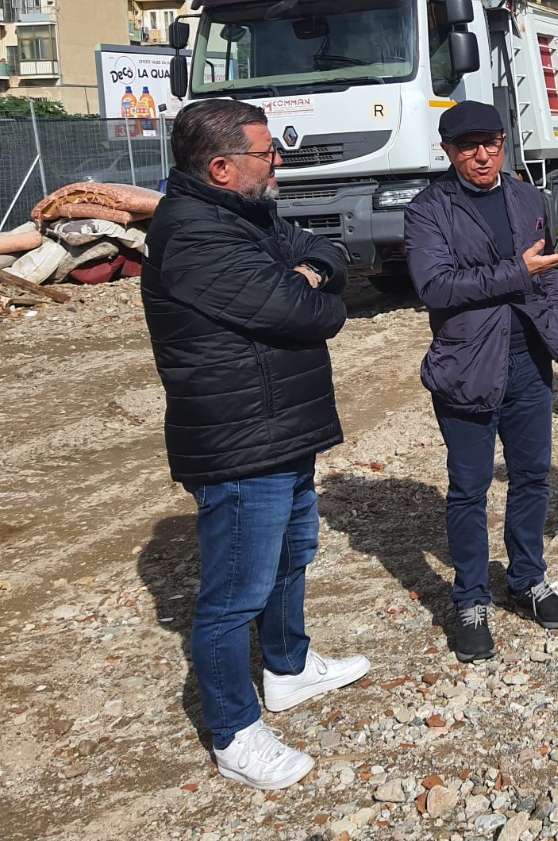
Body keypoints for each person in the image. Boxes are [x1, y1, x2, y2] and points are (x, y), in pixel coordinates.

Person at [141, 98, 369, 791]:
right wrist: (307, 287)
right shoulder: (194, 235)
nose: (278, 162)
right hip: (240, 441)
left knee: (293, 556)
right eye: (267, 153)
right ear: (220, 166)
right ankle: (235, 733)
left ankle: (288, 668)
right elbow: (308, 312)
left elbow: (329, 255)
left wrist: (311, 271)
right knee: (233, 594)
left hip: (281, 428)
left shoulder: (248, 215)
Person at [404, 101, 558, 663]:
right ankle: (471, 600)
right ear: (448, 151)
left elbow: (546, 272)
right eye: (468, 146)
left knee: (531, 477)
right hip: (468, 365)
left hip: (529, 363)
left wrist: (552, 318)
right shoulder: (428, 209)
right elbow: (435, 287)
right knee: (469, 489)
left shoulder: (527, 197)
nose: (482, 155)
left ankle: (527, 580)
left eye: (492, 143)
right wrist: (517, 272)